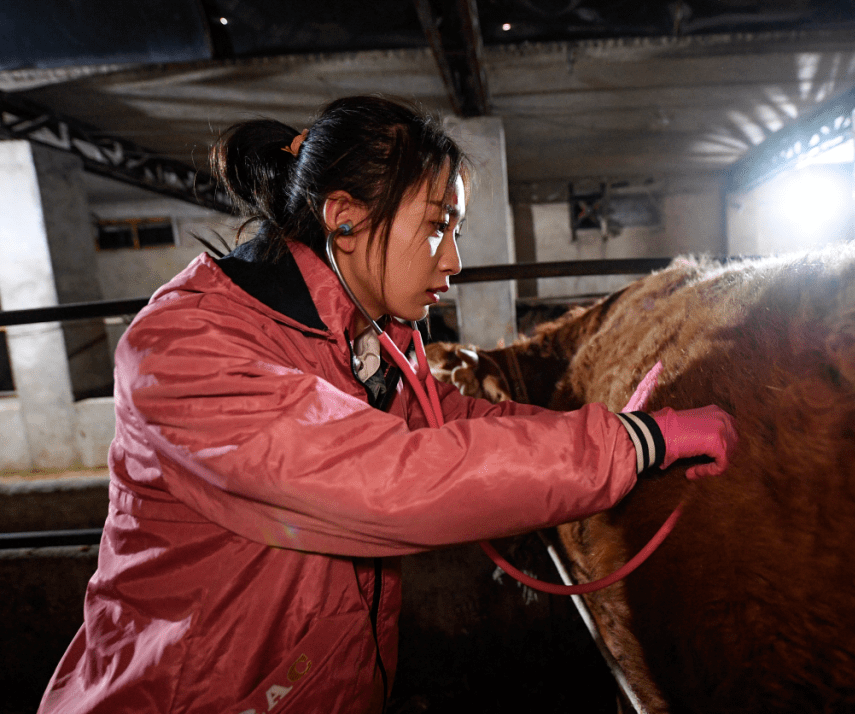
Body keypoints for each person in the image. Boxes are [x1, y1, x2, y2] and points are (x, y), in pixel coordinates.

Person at [38, 95, 736, 714]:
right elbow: (393, 477)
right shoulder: (187, 351)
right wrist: (635, 445)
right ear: (343, 219)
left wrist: (618, 433)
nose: (454, 259)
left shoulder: (359, 342)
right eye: (438, 226)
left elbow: (451, 424)